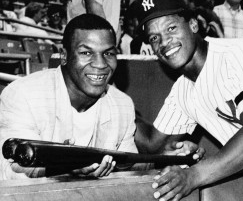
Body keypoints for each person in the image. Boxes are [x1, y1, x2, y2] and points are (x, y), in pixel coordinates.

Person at [0, 13, 202, 180]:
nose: (100, 64)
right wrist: (66, 169)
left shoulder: (122, 104)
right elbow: (14, 170)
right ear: (64, 56)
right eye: (86, 53)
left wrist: (167, 159)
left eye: (108, 53)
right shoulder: (23, 95)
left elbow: (126, 167)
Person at [133, 0, 243, 200]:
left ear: (193, 24)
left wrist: (193, 175)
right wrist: (111, 102)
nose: (164, 42)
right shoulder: (183, 90)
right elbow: (153, 143)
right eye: (154, 38)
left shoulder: (235, 55)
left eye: (171, 28)